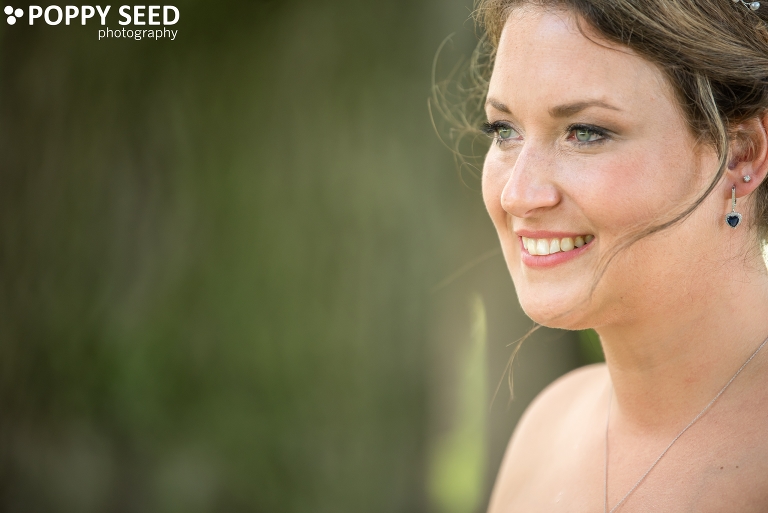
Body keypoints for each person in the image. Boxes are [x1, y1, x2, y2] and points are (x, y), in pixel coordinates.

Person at [475, 0, 768, 511]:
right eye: (504, 130)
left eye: (585, 132)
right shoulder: (545, 431)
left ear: (739, 154)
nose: (517, 195)